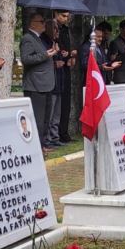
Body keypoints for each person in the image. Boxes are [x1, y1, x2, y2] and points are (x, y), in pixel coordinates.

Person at [20, 11, 58, 150]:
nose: (44, 24)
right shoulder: (27, 38)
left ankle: (43, 143)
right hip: (35, 85)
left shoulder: (40, 38)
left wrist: (51, 53)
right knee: (37, 117)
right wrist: (45, 55)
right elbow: (26, 59)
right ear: (32, 24)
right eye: (41, 22)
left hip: (45, 83)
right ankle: (37, 145)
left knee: (46, 117)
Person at [43, 18, 68, 147]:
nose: (57, 31)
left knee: (57, 113)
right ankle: (46, 139)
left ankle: (54, 137)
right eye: (55, 28)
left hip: (59, 81)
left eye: (58, 29)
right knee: (50, 113)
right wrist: (54, 63)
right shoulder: (44, 42)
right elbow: (43, 61)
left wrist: (62, 54)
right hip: (50, 82)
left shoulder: (56, 42)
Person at [53, 10, 76, 142]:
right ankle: (54, 135)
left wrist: (71, 54)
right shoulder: (51, 28)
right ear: (55, 14)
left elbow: (68, 48)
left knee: (65, 102)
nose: (65, 19)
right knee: (56, 104)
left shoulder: (66, 30)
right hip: (55, 68)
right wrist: (62, 54)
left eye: (67, 16)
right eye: (63, 16)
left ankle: (64, 132)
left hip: (65, 67)